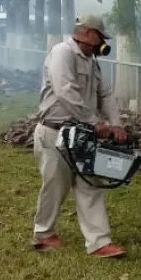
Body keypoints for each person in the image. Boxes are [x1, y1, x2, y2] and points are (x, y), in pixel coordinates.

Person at [31, 14, 129, 258]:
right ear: (86, 33)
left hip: (82, 135)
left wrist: (116, 124)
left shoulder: (91, 62)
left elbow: (104, 95)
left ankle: (99, 242)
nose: (100, 43)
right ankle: (43, 234)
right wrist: (94, 121)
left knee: (91, 183)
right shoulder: (62, 53)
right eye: (99, 36)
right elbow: (65, 91)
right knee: (55, 186)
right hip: (55, 132)